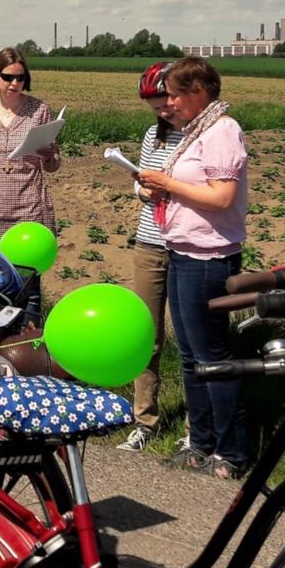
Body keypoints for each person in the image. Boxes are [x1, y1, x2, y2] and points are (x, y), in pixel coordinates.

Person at [137, 56, 249, 480]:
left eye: (176, 95)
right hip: (183, 249)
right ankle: (200, 443)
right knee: (190, 356)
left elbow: (221, 197)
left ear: (198, 92)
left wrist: (167, 185)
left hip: (209, 257)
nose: (171, 103)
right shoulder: (195, 132)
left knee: (213, 356)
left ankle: (231, 451)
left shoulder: (222, 131)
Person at [117, 61, 187, 453]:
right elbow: (141, 183)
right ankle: (144, 419)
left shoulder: (200, 136)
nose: (161, 111)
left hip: (188, 245)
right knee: (148, 336)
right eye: (153, 104)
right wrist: (143, 191)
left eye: (164, 102)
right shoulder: (152, 135)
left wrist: (171, 188)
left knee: (192, 338)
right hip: (150, 239)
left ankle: (197, 427)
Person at [0, 47, 61, 241]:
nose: (14, 83)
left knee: (24, 269)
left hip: (28, 210)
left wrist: (49, 156)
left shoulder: (40, 111)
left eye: (20, 78)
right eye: (8, 77)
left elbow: (53, 165)